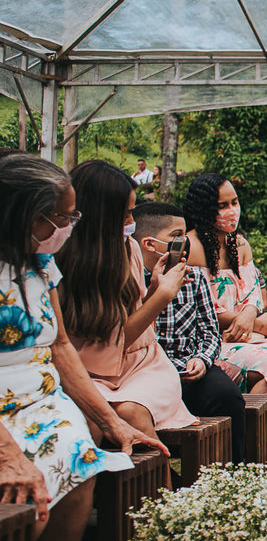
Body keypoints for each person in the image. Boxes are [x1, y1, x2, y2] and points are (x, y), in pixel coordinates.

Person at [0, 154, 166, 541]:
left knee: (81, 460)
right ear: (25, 215)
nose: (69, 227)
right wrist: (8, 456)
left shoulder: (41, 264)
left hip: (43, 399)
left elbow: (60, 346)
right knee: (27, 500)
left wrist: (111, 421)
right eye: (62, 217)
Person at [182, 173, 267, 467]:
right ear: (205, 208)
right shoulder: (189, 247)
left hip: (245, 338)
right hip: (213, 343)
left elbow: (256, 297)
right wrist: (250, 322)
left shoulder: (240, 244)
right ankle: (260, 457)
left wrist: (249, 315)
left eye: (234, 202)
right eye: (222, 205)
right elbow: (195, 309)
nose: (232, 210)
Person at [56, 160, 195, 440]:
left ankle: (158, 470)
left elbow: (138, 331)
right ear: (100, 216)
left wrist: (155, 291)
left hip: (142, 366)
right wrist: (162, 296)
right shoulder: (60, 260)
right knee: (89, 420)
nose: (132, 223)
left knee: (132, 413)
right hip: (85, 371)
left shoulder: (128, 248)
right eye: (127, 215)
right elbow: (110, 345)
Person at [133, 202, 247, 463]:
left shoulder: (194, 277)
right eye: (177, 237)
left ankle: (236, 473)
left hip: (190, 368)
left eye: (185, 235)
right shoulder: (131, 279)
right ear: (149, 244)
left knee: (228, 396)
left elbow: (210, 332)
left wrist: (202, 360)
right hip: (147, 371)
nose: (185, 243)